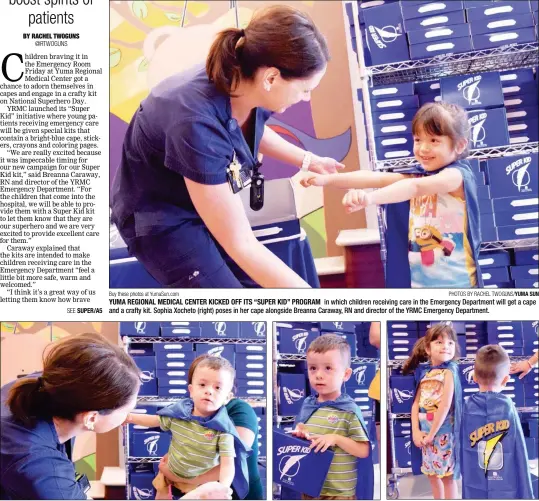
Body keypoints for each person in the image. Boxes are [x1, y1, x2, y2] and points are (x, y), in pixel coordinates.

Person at [110, 5, 344, 289]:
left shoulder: (245, 81)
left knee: (263, 284)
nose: (306, 99)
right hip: (162, 219)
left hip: (198, 200)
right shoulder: (194, 120)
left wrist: (308, 160)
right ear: (271, 78)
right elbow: (241, 244)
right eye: (305, 89)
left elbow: (247, 130)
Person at [302, 102, 481, 288]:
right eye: (418, 140)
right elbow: (374, 178)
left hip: (457, 286)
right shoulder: (420, 173)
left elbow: (414, 187)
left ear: (459, 145)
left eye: (434, 141)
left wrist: (369, 199)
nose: (423, 149)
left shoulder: (456, 176)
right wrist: (328, 180)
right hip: (420, 285)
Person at [0, 333, 141, 500]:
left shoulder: (48, 387)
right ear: (91, 418)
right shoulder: (42, 469)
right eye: (126, 411)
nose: (128, 416)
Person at [125, 355, 250, 499]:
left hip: (199, 483)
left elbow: (228, 465)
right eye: (202, 385)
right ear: (191, 390)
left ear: (227, 398)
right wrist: (129, 417)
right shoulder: (179, 414)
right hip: (168, 474)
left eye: (217, 387)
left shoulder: (222, 430)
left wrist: (223, 488)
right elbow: (155, 420)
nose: (209, 391)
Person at [292, 334, 372, 500]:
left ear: (346, 374)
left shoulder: (349, 411)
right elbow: (302, 440)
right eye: (313, 368)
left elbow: (364, 450)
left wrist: (335, 438)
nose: (319, 375)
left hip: (339, 493)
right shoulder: (308, 405)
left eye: (328, 368)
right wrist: (301, 435)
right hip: (310, 488)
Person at [461, 345, 533, 499]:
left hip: (475, 479)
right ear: (506, 380)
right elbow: (519, 449)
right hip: (504, 479)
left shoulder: (466, 406)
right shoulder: (507, 406)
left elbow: (459, 444)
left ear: (474, 377)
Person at [402, 323, 462, 500]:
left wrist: (431, 435)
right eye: (439, 342)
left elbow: (445, 406)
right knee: (432, 475)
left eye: (450, 343)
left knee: (447, 477)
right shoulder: (426, 374)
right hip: (425, 435)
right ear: (428, 348)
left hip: (442, 435)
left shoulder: (449, 373)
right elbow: (415, 405)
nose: (446, 346)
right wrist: (416, 432)